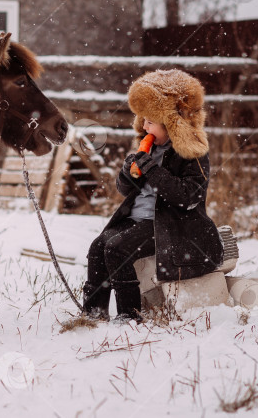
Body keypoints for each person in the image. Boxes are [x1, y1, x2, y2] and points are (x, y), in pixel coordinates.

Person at [82, 69, 224, 322]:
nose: (144, 126)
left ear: (171, 122)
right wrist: (129, 174)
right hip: (136, 219)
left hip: (170, 224)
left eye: (150, 121)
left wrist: (152, 171)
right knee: (98, 247)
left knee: (117, 249)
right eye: (142, 119)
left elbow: (188, 197)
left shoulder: (192, 154)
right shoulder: (150, 148)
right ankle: (93, 312)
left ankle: (129, 314)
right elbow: (126, 191)